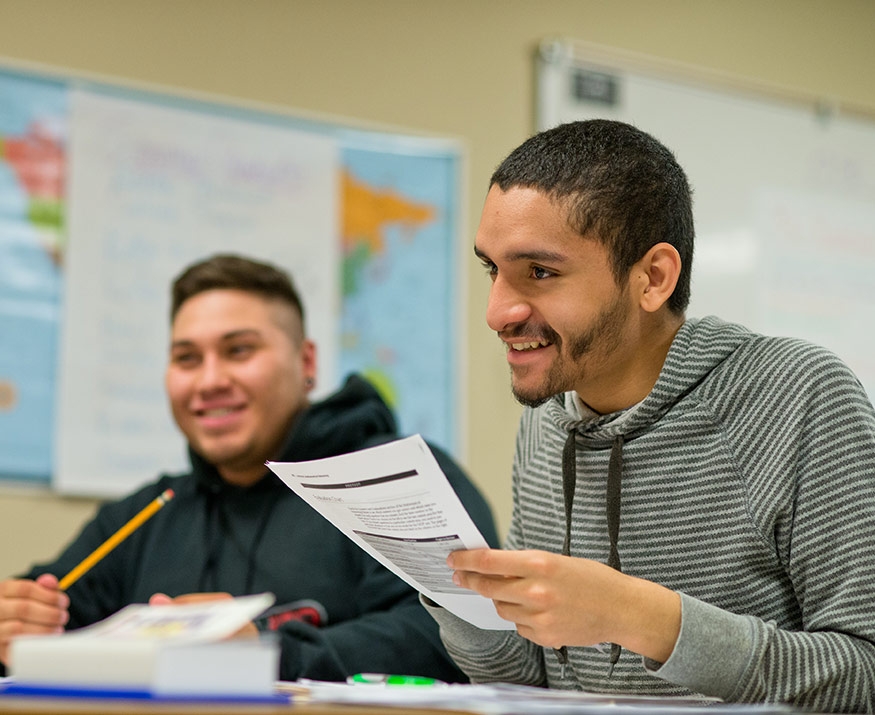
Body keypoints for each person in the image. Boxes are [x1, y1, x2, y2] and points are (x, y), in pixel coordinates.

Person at [424, 120, 875, 711]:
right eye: (493, 269)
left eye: (539, 272)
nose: (497, 311)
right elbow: (528, 675)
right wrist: (443, 582)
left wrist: (638, 616)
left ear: (653, 278)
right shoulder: (548, 416)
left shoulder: (795, 394)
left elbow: (864, 672)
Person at [0, 253, 499, 683]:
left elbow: (459, 634)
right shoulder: (149, 513)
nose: (210, 380)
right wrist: (18, 622)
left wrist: (264, 651)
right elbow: (48, 613)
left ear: (306, 363)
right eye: (187, 358)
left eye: (239, 350)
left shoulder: (394, 479)